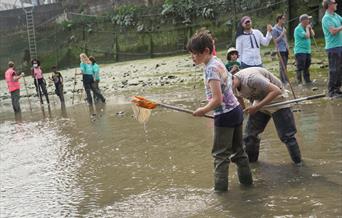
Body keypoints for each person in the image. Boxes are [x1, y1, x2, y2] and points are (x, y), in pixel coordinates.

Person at [187, 31, 253, 192]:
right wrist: (210, 105)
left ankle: (220, 196)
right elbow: (228, 85)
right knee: (239, 153)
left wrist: (203, 110)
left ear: (206, 51)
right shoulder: (218, 61)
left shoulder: (210, 69)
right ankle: (248, 185)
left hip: (225, 115)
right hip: (236, 110)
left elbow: (217, 99)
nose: (192, 57)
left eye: (195, 54)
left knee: (220, 156)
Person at [232, 67, 302, 165]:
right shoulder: (231, 86)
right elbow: (238, 97)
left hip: (277, 99)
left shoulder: (251, 78)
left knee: (287, 136)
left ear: (232, 79)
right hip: (259, 99)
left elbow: (276, 91)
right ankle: (252, 165)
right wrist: (242, 111)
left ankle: (299, 164)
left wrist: (256, 107)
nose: (229, 89)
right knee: (249, 136)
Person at [322, 0, 342, 98]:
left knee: (340, 69)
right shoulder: (326, 18)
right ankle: (331, 92)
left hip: (340, 46)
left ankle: (337, 89)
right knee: (334, 70)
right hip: (332, 47)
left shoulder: (336, 16)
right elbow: (333, 31)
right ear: (330, 5)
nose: (336, 4)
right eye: (334, 3)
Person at [294, 14, 315, 85]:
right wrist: (307, 29)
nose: (309, 21)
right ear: (303, 21)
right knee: (300, 66)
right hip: (300, 51)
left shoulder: (306, 27)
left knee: (307, 65)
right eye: (308, 19)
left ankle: (307, 80)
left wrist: (310, 28)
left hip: (307, 50)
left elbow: (313, 35)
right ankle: (299, 82)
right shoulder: (298, 29)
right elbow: (307, 36)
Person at [272, 14, 290, 84]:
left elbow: (285, 39)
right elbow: (275, 40)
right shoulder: (274, 29)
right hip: (280, 49)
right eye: (282, 19)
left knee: (285, 65)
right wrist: (282, 34)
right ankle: (283, 81)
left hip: (285, 49)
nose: (284, 20)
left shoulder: (283, 28)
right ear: (279, 20)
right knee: (282, 65)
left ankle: (286, 79)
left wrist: (288, 47)